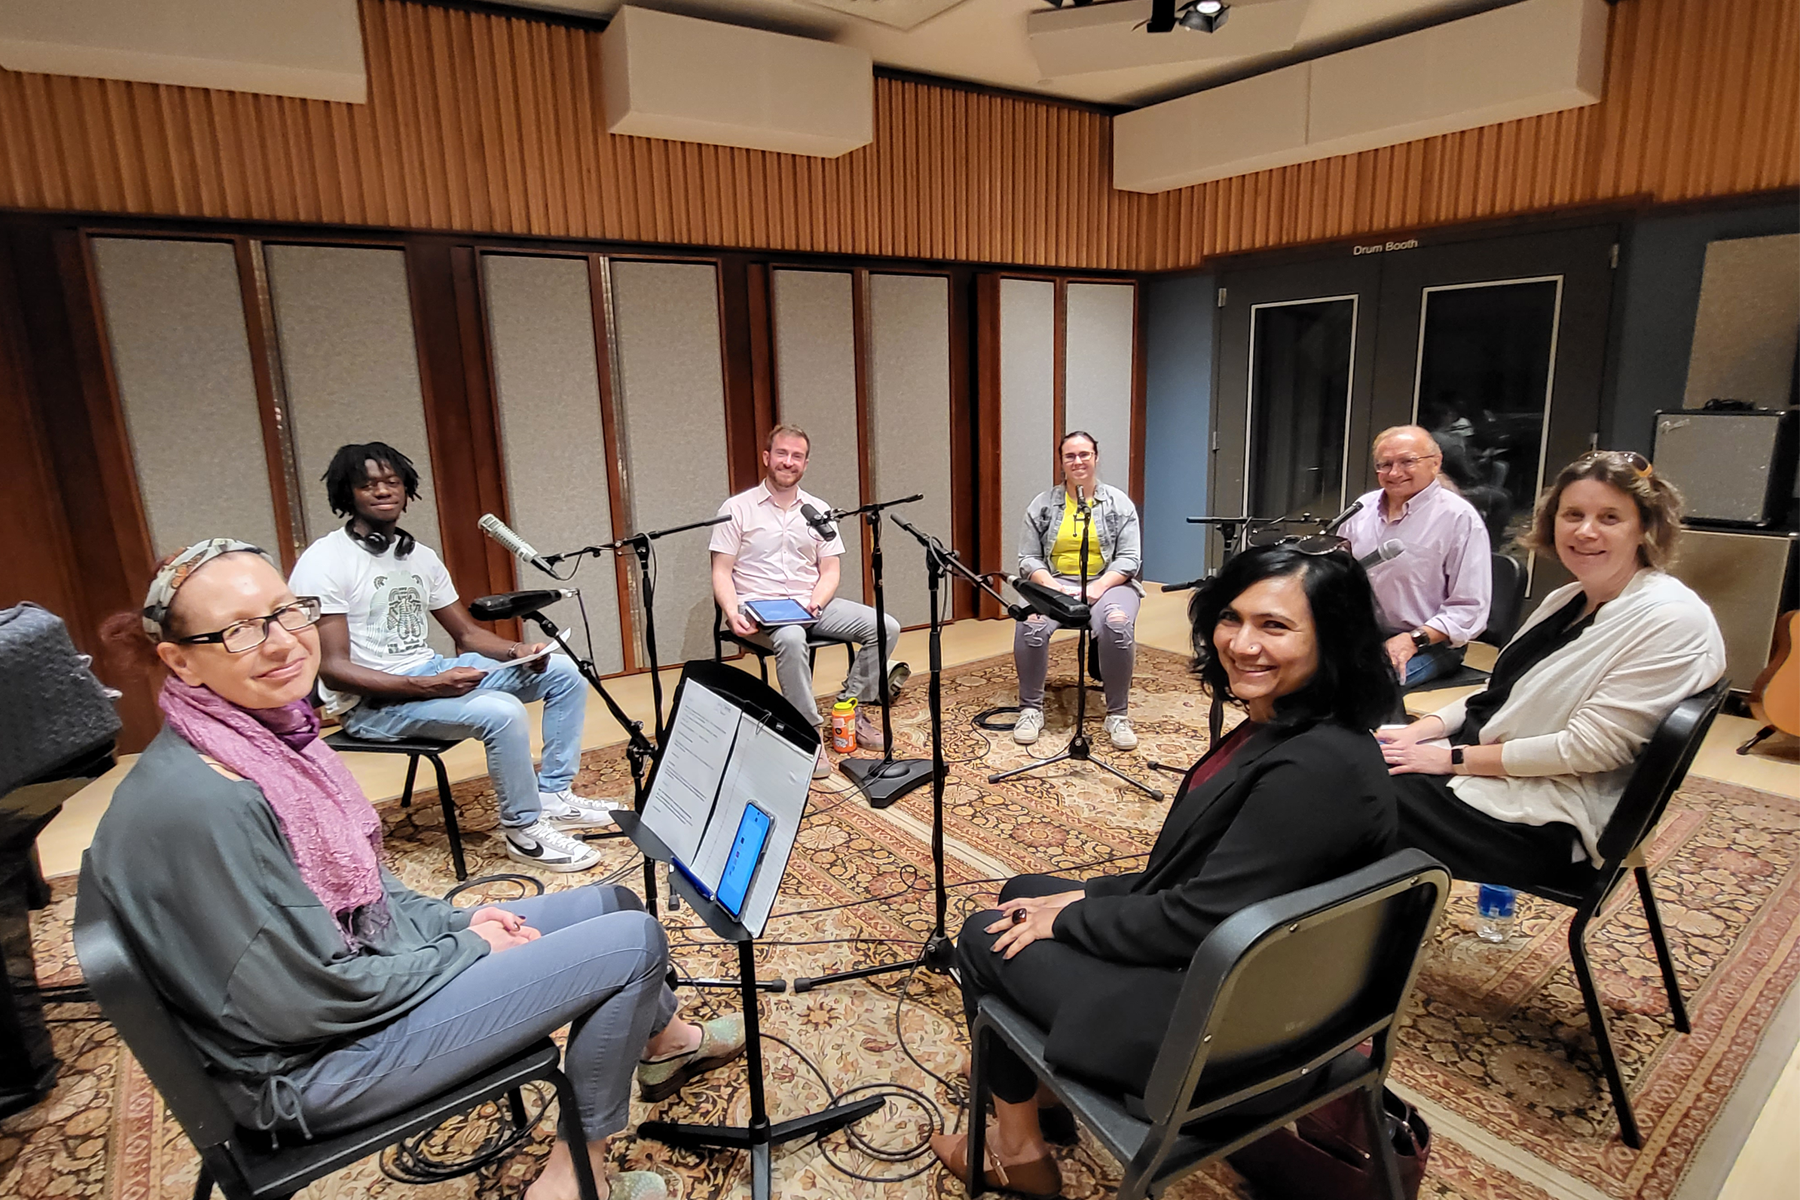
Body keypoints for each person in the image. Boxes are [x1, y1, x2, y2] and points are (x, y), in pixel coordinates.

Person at [92, 541, 745, 1200]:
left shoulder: (258, 738)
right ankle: (578, 1178)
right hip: (313, 1068)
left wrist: (456, 922)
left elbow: (363, 894)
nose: (283, 642)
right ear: (179, 660)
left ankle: (667, 1044)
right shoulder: (208, 801)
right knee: (634, 945)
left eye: (288, 613)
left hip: (348, 985)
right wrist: (461, 947)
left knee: (615, 905)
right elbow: (300, 1005)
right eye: (239, 631)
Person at [930, 542, 1401, 1196]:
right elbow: (1199, 882)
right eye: (1232, 618)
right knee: (1025, 893)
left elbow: (1194, 918)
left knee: (986, 935)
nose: (1241, 643)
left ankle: (1018, 1153)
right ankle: (1041, 1095)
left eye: (1276, 626)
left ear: (1334, 639)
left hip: (1227, 1035)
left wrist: (1075, 918)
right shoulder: (1297, 729)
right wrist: (1077, 898)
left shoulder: (1313, 772)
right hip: (1242, 977)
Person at [1381, 451, 1726, 890]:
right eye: (1573, 514)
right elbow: (1503, 692)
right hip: (1496, 782)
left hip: (1548, 824)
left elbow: (1588, 750)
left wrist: (1449, 759)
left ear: (1644, 527)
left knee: (1350, 789)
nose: (1585, 531)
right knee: (1346, 756)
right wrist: (1421, 730)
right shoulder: (1568, 599)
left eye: (1610, 517)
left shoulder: (1672, 619)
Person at [288, 443, 615, 873]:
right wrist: (427, 686)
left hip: (429, 674)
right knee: (501, 711)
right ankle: (524, 831)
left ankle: (552, 793)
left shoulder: (417, 556)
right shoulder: (325, 561)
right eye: (368, 485)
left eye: (392, 482)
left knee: (564, 671)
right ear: (347, 495)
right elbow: (333, 669)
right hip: (373, 705)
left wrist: (520, 651)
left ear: (407, 492)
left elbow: (466, 634)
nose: (383, 491)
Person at [710, 424, 901, 778]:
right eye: (782, 454)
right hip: (757, 609)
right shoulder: (737, 508)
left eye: (797, 456)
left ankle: (849, 708)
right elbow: (721, 570)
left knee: (885, 626)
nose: (788, 462)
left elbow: (830, 570)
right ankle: (807, 730)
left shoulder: (818, 509)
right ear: (767, 457)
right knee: (792, 637)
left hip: (809, 603)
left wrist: (816, 601)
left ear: (806, 463)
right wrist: (731, 611)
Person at [1011, 431, 1144, 751]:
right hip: (1054, 582)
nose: (1078, 461)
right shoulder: (1043, 505)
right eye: (1070, 456)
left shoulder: (1118, 503)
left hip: (1108, 582)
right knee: (1031, 623)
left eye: (1084, 454)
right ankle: (1030, 709)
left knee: (1117, 623)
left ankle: (1117, 714)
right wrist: (1052, 587)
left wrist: (1098, 587)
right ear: (1061, 463)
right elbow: (1027, 558)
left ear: (1096, 458)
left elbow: (1130, 558)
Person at [1340, 425, 1492, 687]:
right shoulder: (1362, 509)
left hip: (1429, 642)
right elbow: (1338, 571)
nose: (1395, 473)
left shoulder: (1459, 518)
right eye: (1385, 464)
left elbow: (1469, 608)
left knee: (1365, 687)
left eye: (1407, 462)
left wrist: (1413, 639)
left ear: (1435, 463)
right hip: (1364, 635)